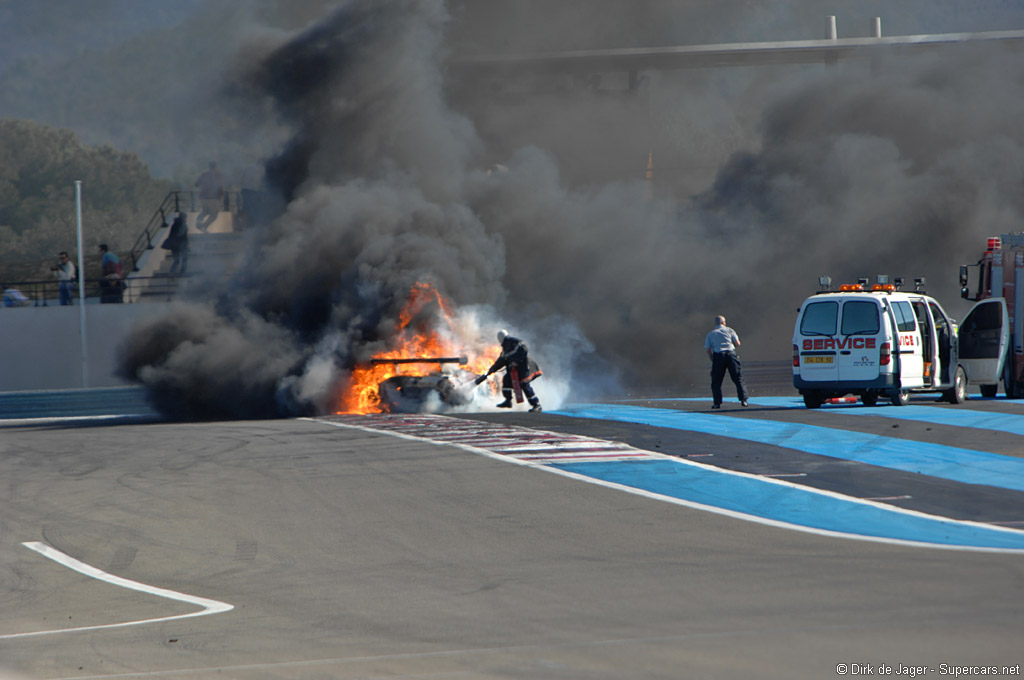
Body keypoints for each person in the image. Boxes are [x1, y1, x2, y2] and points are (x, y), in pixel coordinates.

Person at [474, 329, 543, 412]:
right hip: (517, 370)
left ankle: (537, 405)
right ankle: (508, 401)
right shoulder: (505, 348)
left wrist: (515, 360)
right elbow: (501, 361)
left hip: (525, 367)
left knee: (524, 384)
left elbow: (524, 349)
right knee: (507, 379)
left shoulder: (515, 342)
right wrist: (491, 370)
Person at [705, 315, 748, 409]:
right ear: (724, 322)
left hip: (718, 355)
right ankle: (743, 400)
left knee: (716, 381)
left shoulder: (711, 334)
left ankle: (717, 403)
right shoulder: (730, 330)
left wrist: (713, 360)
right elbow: (738, 343)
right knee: (738, 378)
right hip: (730, 354)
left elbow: (708, 350)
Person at [194, 161, 225, 232]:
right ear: (216, 166)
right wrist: (222, 195)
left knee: (205, 211)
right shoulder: (218, 175)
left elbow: (196, 184)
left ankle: (198, 220)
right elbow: (220, 187)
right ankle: (203, 226)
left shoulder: (204, 174)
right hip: (213, 197)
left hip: (202, 197)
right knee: (214, 214)